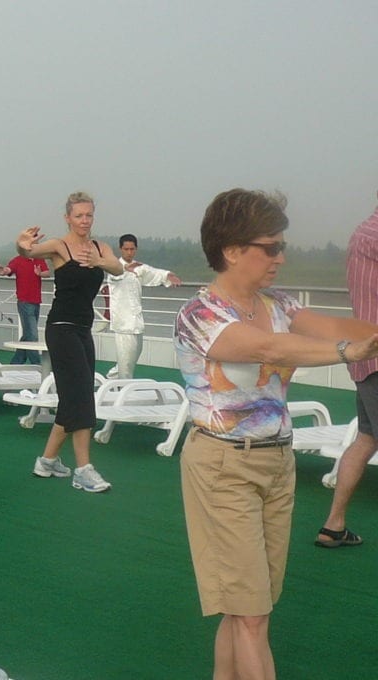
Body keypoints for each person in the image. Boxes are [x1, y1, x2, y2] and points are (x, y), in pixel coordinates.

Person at [174, 188, 378, 680]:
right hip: (223, 467)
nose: (281, 257)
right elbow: (268, 347)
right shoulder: (199, 317)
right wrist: (350, 352)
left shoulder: (279, 303)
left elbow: (334, 324)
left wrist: (363, 333)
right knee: (252, 614)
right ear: (232, 250)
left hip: (276, 464)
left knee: (246, 607)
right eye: (271, 246)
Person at [17, 192, 123, 492]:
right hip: (61, 328)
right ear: (68, 218)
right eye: (79, 215)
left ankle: (47, 461)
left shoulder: (101, 247)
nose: (84, 220)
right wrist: (22, 242)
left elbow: (118, 268)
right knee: (81, 398)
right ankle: (83, 469)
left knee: (75, 395)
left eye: (89, 215)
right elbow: (27, 252)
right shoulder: (59, 247)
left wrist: (100, 260)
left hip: (83, 329)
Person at [315, 192, 378, 549]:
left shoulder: (362, 233)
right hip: (376, 353)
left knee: (368, 437)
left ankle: (333, 525)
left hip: (364, 354)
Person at [104, 234, 181, 379]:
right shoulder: (114, 267)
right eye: (126, 249)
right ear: (120, 249)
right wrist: (125, 268)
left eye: (132, 249)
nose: (129, 252)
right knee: (126, 364)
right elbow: (115, 275)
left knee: (131, 358)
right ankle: (122, 392)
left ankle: (111, 379)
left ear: (136, 249)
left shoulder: (139, 267)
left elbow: (153, 273)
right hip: (123, 323)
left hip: (136, 322)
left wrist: (168, 275)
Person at [0, 255, 50, 364]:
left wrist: (40, 273)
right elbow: (9, 269)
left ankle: (16, 362)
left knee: (28, 334)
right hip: (24, 302)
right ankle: (36, 363)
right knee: (33, 335)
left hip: (36, 302)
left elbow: (47, 273)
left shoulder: (39, 259)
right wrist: (4, 271)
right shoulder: (18, 260)